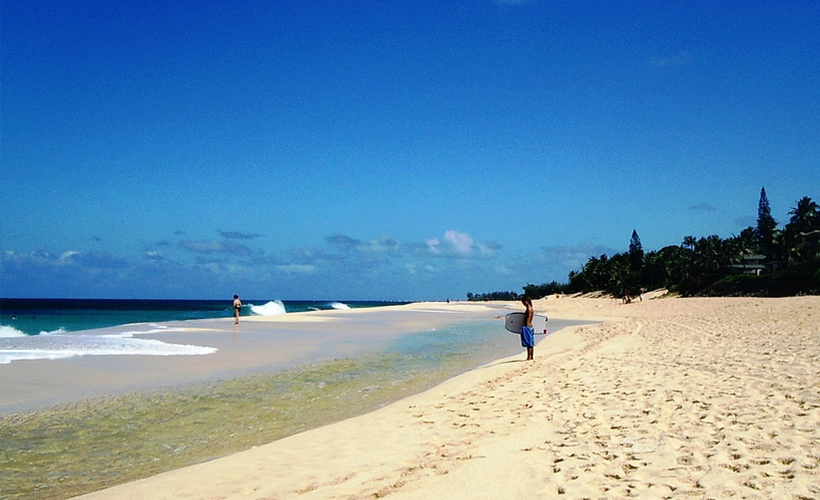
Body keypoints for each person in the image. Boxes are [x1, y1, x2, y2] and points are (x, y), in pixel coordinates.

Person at [520, 296, 535, 361]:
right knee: (531, 343)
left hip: (527, 327)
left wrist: (525, 327)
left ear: (527, 301)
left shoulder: (529, 309)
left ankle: (529, 357)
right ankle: (531, 357)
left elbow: (528, 318)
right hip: (530, 326)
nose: (523, 304)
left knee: (529, 343)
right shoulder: (531, 308)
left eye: (524, 302)